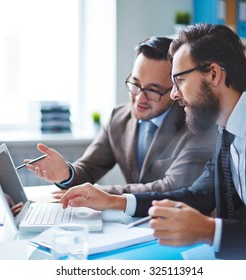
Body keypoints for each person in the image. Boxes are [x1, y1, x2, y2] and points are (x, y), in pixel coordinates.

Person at [58, 24, 246, 259]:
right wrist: (115, 202)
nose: (173, 94)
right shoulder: (226, 127)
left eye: (180, 80)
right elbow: (197, 195)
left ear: (214, 74)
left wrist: (210, 231)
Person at [26, 36, 216, 196]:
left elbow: (172, 187)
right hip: (130, 225)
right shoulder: (118, 117)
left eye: (153, 90)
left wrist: (101, 194)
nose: (140, 98)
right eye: (135, 84)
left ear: (176, 89)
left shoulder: (197, 125)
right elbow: (89, 167)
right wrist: (66, 174)